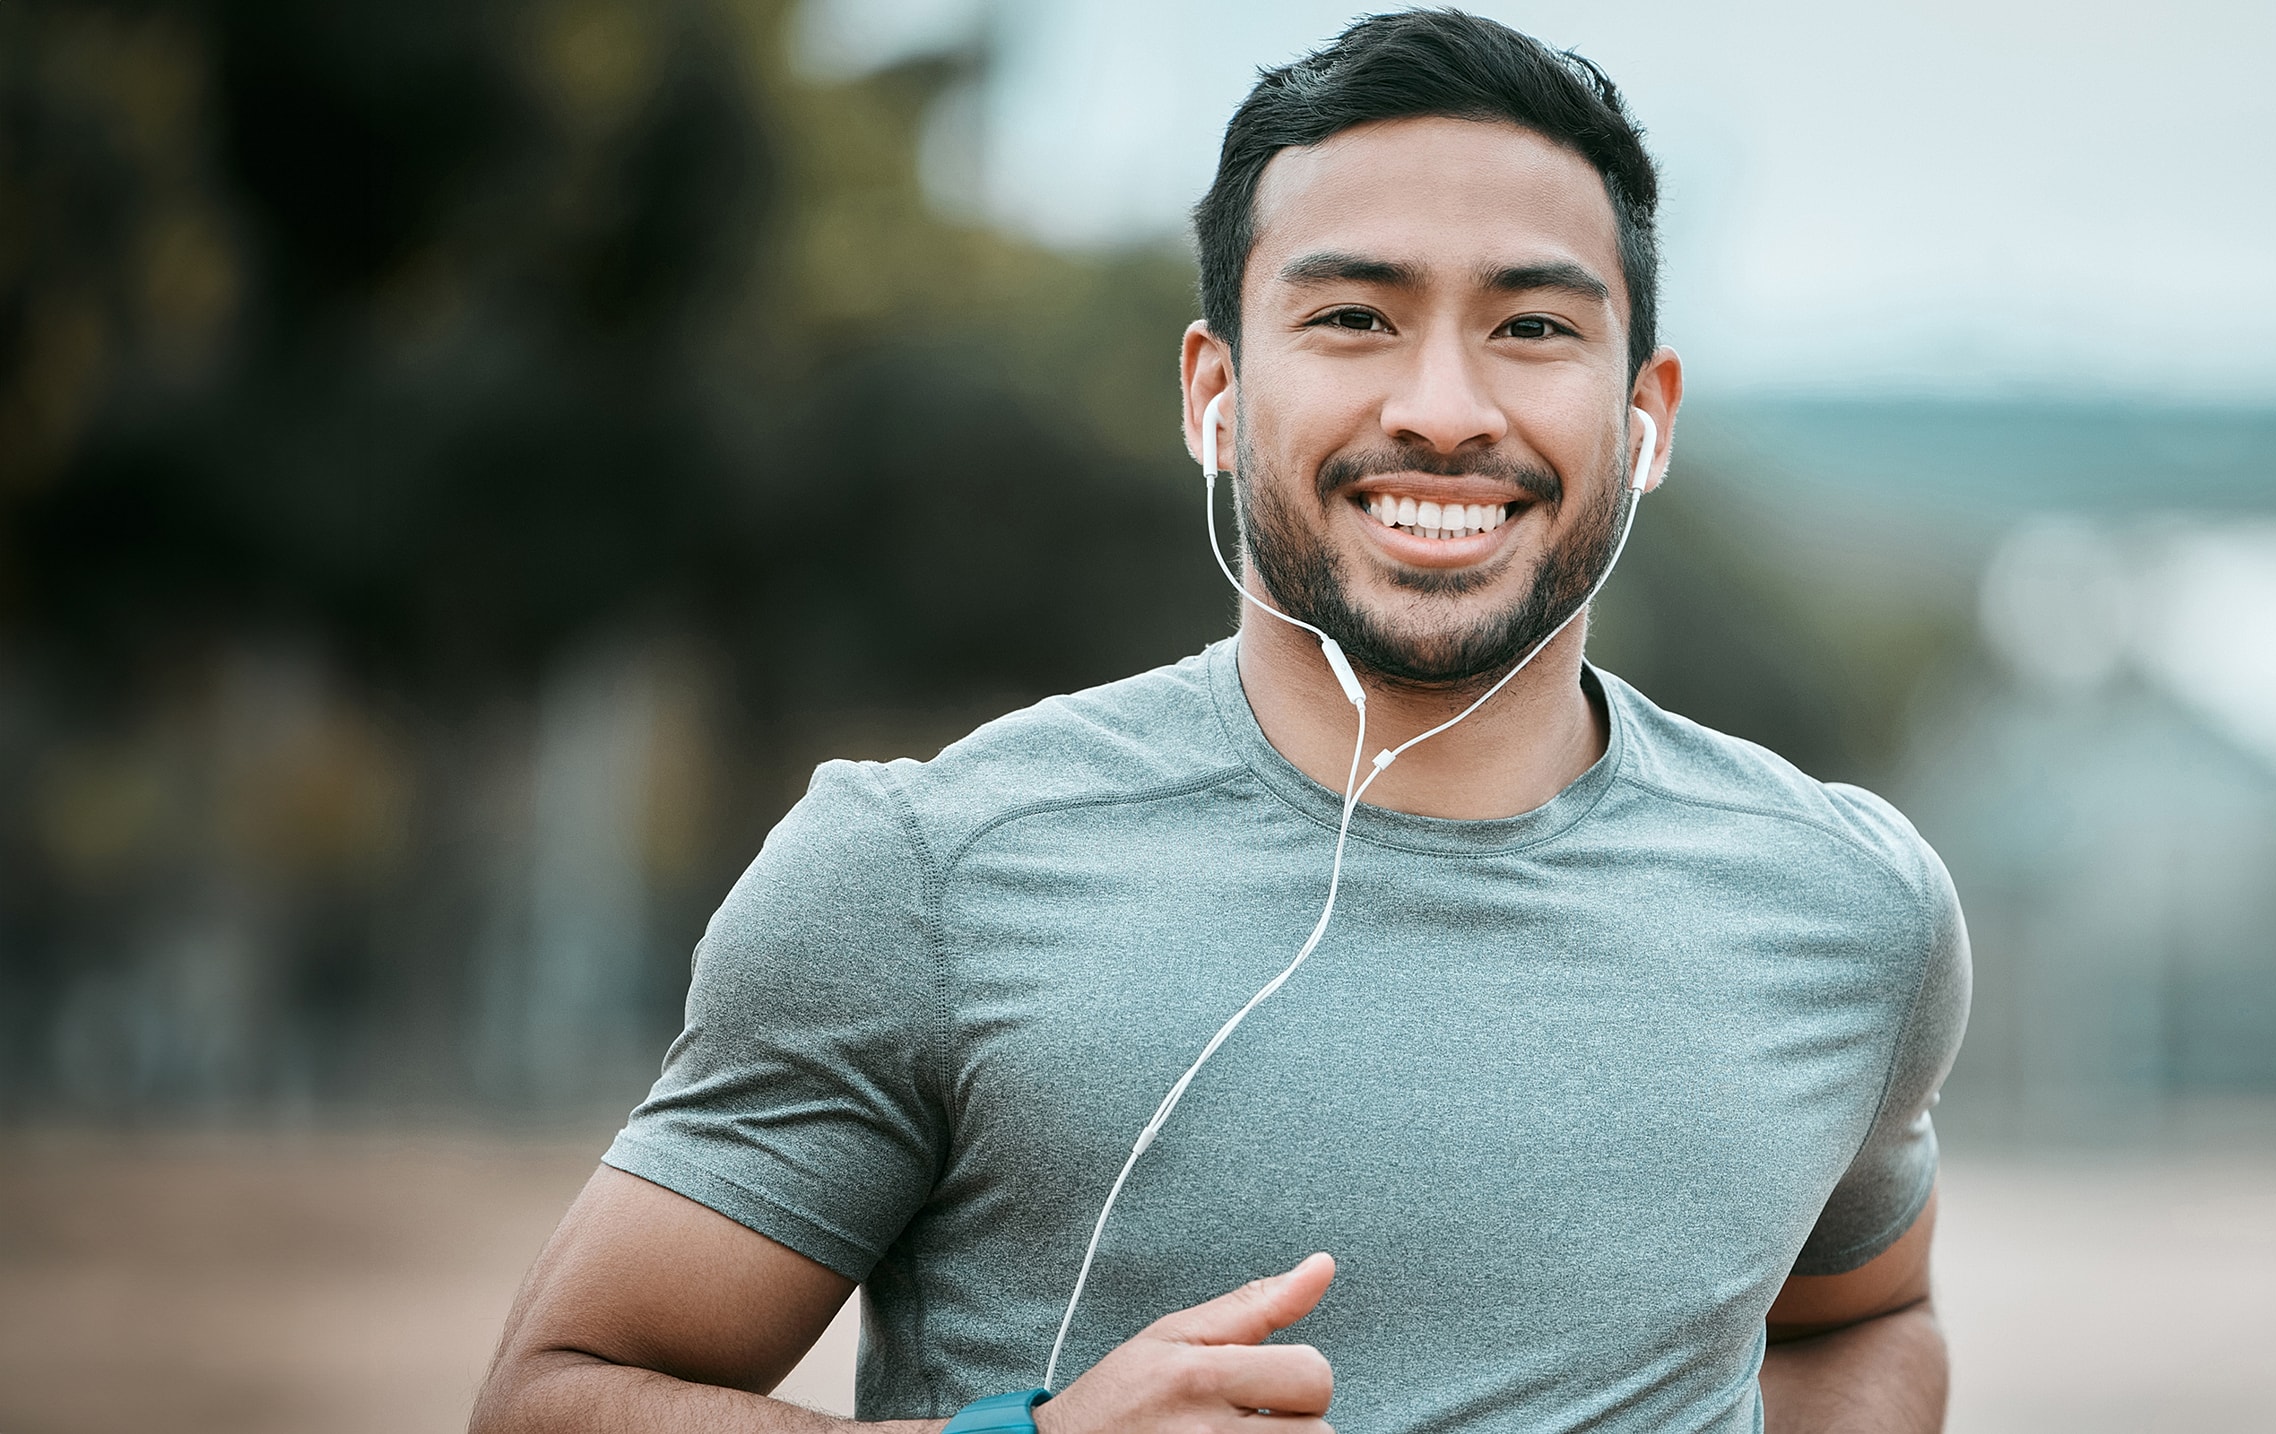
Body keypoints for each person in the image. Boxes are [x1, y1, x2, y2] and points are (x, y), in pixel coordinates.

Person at [472, 11, 1969, 1433]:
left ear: (1645, 415)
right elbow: (553, 1392)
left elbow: (1860, 1316)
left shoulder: (1850, 910)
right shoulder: (920, 873)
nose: (1445, 406)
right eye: (1354, 316)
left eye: (1529, 326)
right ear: (1216, 391)